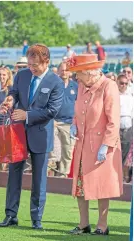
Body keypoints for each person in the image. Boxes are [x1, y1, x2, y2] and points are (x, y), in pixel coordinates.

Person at [0, 44, 64, 229]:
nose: (32, 68)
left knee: (39, 179)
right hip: (17, 134)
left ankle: (36, 219)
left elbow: (52, 110)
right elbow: (14, 92)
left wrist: (27, 115)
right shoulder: (22, 75)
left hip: (40, 135)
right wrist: (10, 100)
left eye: (36, 65)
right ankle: (10, 215)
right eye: (30, 65)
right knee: (13, 176)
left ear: (46, 62)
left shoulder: (55, 82)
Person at [68, 54, 123, 235]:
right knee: (80, 186)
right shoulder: (83, 86)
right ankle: (84, 224)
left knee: (101, 186)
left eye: (78, 73)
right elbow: (78, 111)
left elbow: (113, 120)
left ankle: (102, 225)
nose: (76, 77)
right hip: (83, 145)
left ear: (88, 72)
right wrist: (74, 124)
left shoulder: (109, 86)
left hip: (101, 146)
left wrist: (106, 145)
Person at [54, 62, 78, 176]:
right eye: (62, 70)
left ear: (70, 72)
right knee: (50, 149)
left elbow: (79, 104)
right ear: (58, 71)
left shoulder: (76, 86)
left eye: (66, 70)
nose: (64, 72)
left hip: (69, 123)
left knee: (68, 151)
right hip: (53, 122)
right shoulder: (53, 85)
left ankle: (63, 175)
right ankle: (50, 172)